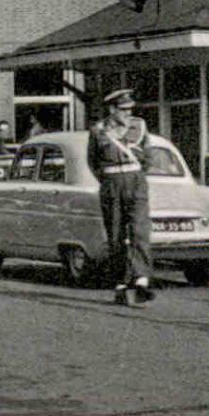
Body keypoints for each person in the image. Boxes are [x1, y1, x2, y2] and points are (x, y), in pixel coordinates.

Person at [88, 89, 154, 307]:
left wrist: (134, 176)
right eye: (123, 109)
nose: (128, 113)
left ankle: (141, 279)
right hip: (111, 183)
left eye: (130, 109)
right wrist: (109, 181)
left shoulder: (140, 126)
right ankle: (120, 283)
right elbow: (93, 162)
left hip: (135, 182)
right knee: (116, 235)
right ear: (112, 109)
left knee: (140, 230)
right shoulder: (98, 131)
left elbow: (148, 158)